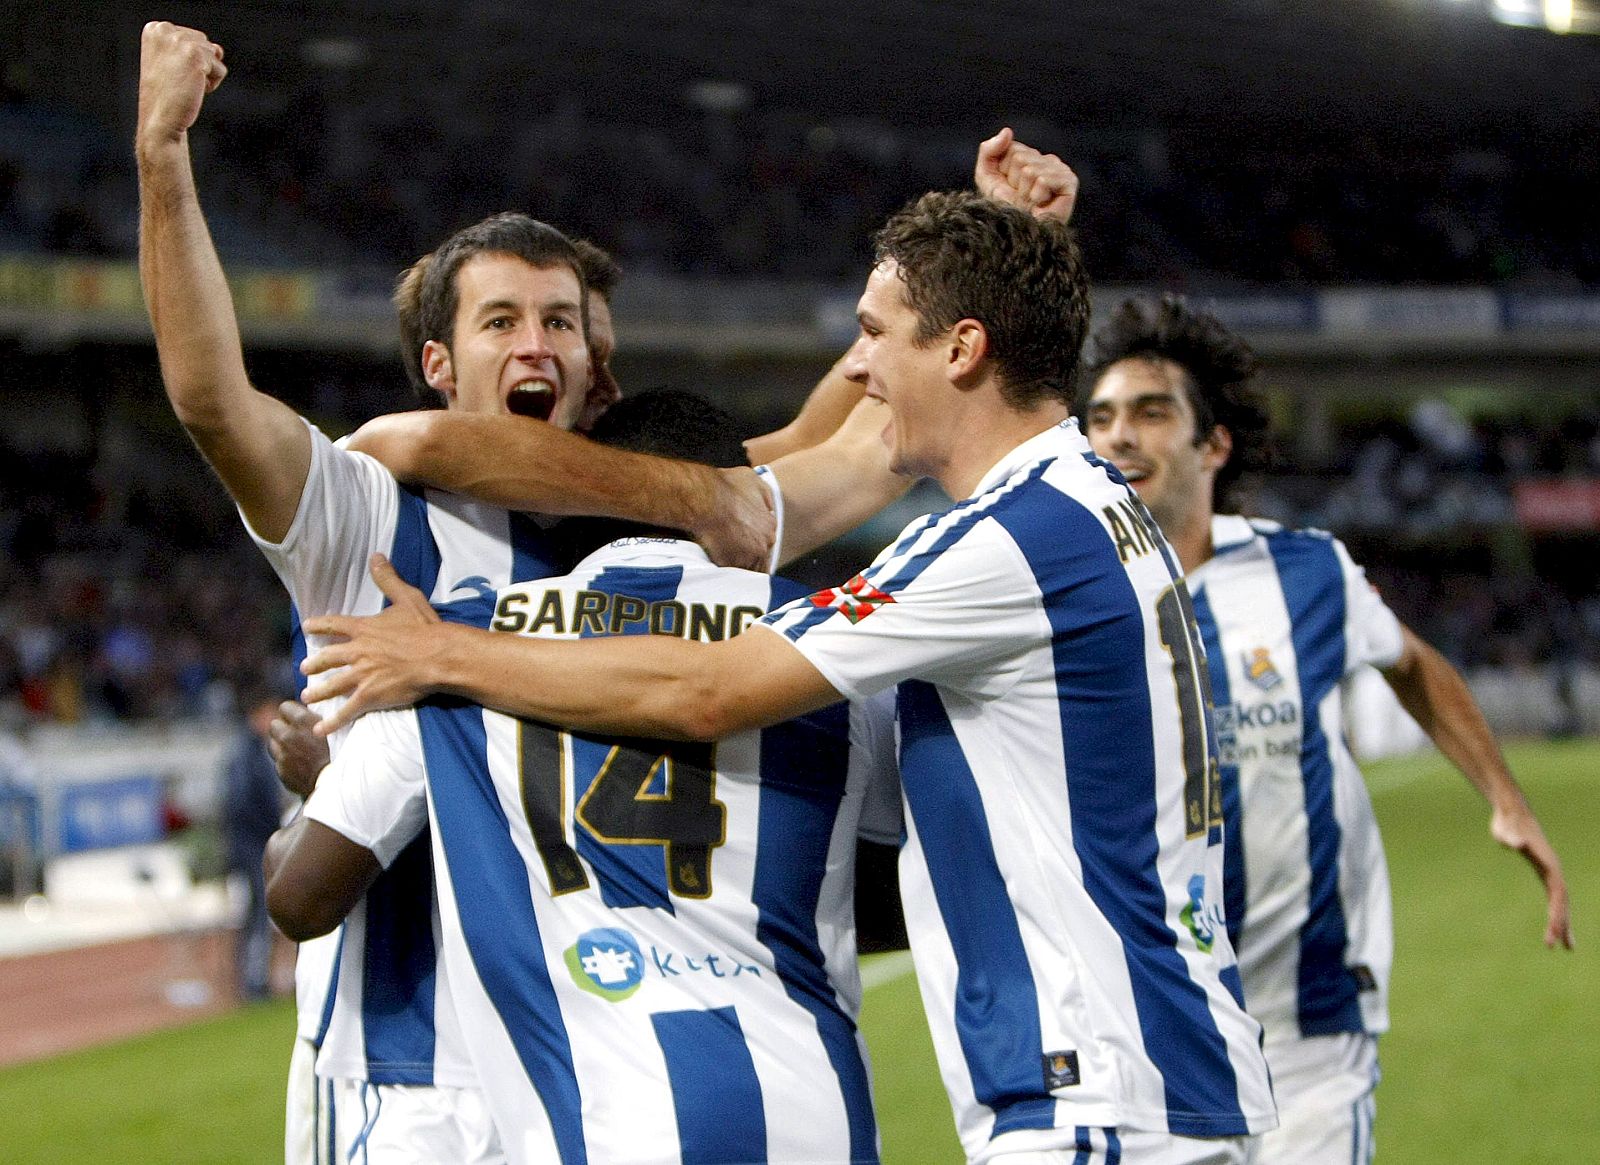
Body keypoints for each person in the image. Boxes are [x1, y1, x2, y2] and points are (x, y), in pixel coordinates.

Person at [299, 190, 1278, 1163]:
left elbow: (710, 689)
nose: (859, 366)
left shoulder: (1008, 541)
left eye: (873, 334)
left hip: (1099, 1085)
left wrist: (444, 652)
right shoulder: (1090, 504)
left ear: (963, 348)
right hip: (1139, 1066)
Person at [136, 22, 775, 1163]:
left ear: (595, 363)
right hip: (406, 1080)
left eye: (560, 322)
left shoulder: (637, 532)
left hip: (589, 1068)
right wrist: (163, 154)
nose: (537, 345)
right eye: (502, 322)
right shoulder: (373, 515)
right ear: (439, 366)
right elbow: (211, 402)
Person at [269, 389, 899, 1164]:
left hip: (604, 1123)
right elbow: (901, 897)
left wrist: (323, 778)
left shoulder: (448, 644)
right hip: (819, 1112)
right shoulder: (834, 644)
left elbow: (299, 897)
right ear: (735, 496)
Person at [1075, 294, 1573, 1163]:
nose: (1120, 435)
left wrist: (1505, 796)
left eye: (1152, 413)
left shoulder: (1305, 568)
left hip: (1311, 1013)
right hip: (1155, 1027)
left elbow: (1413, 665)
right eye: (1103, 417)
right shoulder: (1063, 593)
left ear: (1214, 444)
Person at [222, 680, 291, 1002]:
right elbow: (239, 803)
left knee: (259, 912)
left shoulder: (258, 751)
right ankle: (253, 981)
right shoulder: (246, 755)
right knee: (258, 912)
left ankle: (257, 978)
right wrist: (272, 822)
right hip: (252, 845)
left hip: (257, 843)